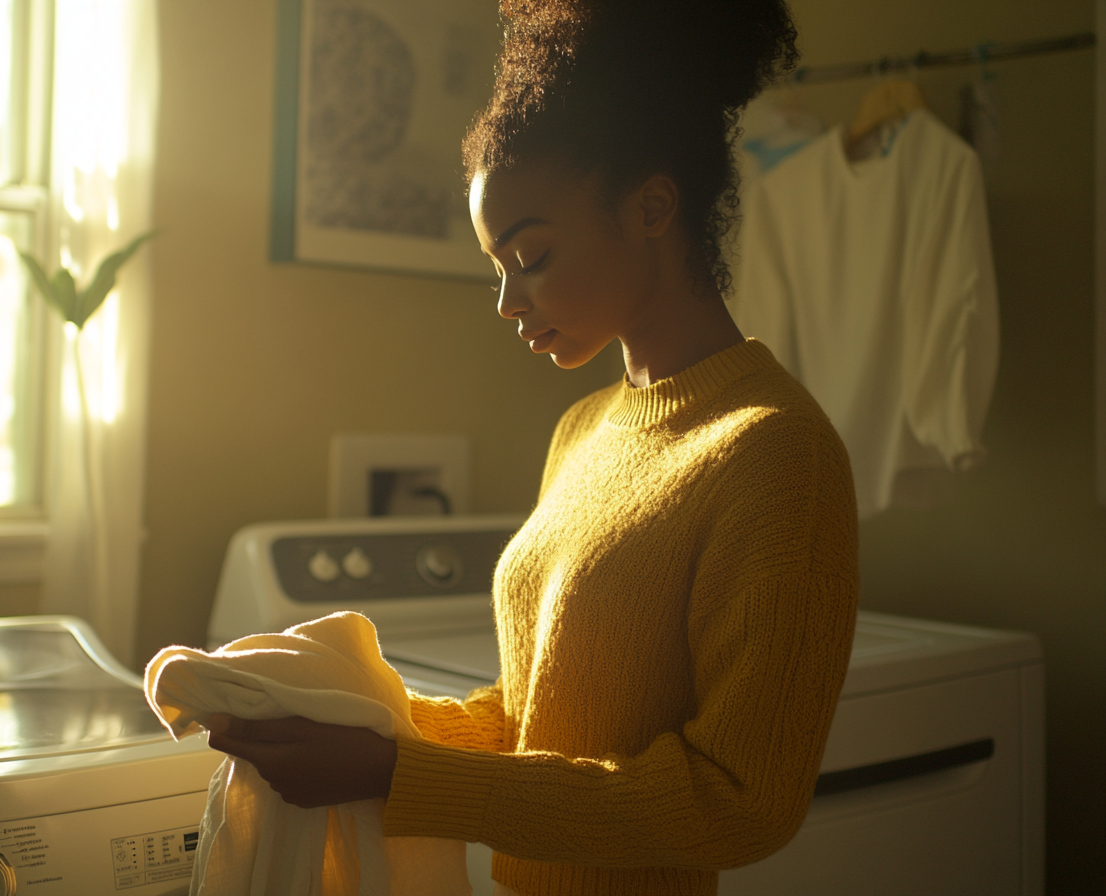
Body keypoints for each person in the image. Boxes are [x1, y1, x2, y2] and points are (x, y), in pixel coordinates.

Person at [206, 1, 859, 893]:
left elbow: (741, 800)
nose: (508, 301)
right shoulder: (584, 430)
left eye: (533, 255)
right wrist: (374, 728)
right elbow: (539, 715)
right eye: (497, 265)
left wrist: (398, 776)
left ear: (652, 207)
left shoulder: (779, 455)